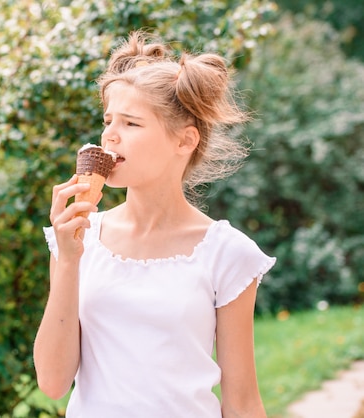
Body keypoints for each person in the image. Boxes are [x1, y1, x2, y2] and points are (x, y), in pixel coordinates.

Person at [33, 30, 276, 418]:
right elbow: (52, 382)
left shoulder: (227, 254)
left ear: (184, 141)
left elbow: (243, 402)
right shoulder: (78, 241)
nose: (109, 134)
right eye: (108, 120)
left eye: (130, 123)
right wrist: (68, 259)